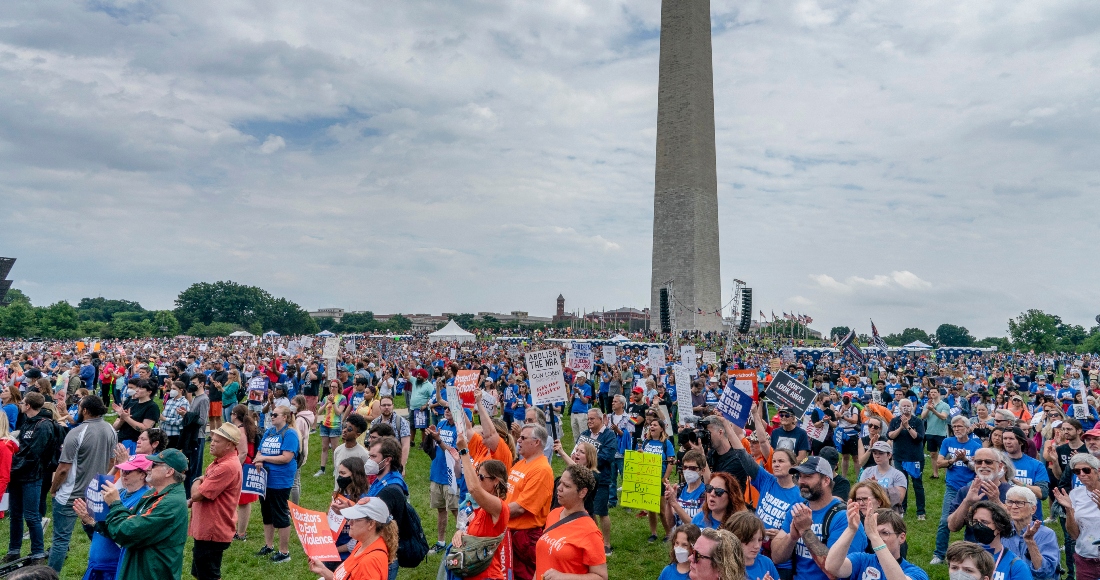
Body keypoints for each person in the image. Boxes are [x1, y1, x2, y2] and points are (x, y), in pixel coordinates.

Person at [76, 449, 189, 580]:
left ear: (169, 472)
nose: (148, 468)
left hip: (151, 574)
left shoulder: (171, 503)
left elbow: (128, 532)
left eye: (154, 465)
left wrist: (115, 503)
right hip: (137, 570)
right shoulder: (154, 494)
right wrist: (93, 522)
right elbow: (120, 528)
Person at [48, 394, 117, 572]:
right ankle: (103, 570)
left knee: (60, 540)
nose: (77, 411)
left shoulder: (76, 432)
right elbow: (112, 461)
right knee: (98, 535)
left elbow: (63, 468)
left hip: (71, 495)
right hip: (97, 492)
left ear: (85, 410)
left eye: (79, 408)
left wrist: (53, 489)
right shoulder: (110, 428)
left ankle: (50, 575)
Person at [771, 457, 867, 580]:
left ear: (826, 480)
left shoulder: (845, 518)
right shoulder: (797, 511)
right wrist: (792, 538)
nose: (801, 481)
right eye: (800, 476)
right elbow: (777, 557)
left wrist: (806, 532)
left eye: (808, 476)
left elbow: (835, 572)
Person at [74, 455, 150, 580]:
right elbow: (98, 531)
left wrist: (92, 523)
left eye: (129, 471)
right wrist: (86, 521)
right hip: (96, 565)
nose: (124, 474)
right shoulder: (119, 493)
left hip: (113, 569)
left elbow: (123, 535)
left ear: (143, 474)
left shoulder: (143, 499)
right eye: (123, 470)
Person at [6, 392, 57, 566]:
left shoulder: (44, 425)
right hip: (17, 476)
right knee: (15, 515)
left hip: (32, 476)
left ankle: (37, 553)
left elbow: (34, 454)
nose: (21, 404)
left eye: (23, 402)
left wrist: (13, 464)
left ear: (28, 405)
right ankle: (13, 550)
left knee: (32, 516)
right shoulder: (26, 421)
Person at [188, 423, 244, 580]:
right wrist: (203, 480)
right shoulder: (219, 462)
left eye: (217, 441)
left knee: (209, 575)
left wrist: (197, 479)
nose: (211, 443)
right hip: (208, 529)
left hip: (213, 530)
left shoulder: (226, 466)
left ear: (230, 445)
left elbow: (197, 495)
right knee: (201, 572)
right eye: (212, 439)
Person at [533, 465, 608, 580]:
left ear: (582, 492)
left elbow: (601, 577)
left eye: (567, 486)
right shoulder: (554, 514)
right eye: (560, 482)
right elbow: (543, 560)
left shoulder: (590, 532)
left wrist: (564, 577)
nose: (559, 488)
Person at [452, 433, 510, 580]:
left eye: (481, 477)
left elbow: (474, 489)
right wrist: (461, 534)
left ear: (496, 481)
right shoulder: (482, 508)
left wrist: (464, 452)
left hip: (488, 575)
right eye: (477, 475)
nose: (478, 480)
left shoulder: (499, 507)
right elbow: (475, 534)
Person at [931, 414, 983, 564]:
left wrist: (965, 460)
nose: (956, 429)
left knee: (973, 522)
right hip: (952, 487)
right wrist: (954, 460)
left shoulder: (976, 446)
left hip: (970, 489)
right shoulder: (947, 442)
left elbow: (978, 469)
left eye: (959, 426)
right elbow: (939, 463)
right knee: (944, 521)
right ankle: (939, 554)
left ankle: (973, 554)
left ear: (967, 428)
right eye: (954, 427)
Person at [823, 507, 927, 580]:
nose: (878, 537)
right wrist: (851, 529)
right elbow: (831, 567)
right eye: (875, 532)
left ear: (901, 537)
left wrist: (874, 536)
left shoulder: (916, 573)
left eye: (885, 533)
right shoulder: (861, 560)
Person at [507, 424, 554, 580]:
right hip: (512, 532)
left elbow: (521, 508)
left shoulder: (541, 470)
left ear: (536, 442)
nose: (518, 440)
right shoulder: (521, 463)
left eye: (523, 438)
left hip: (526, 537)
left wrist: (494, 513)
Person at [254, 404, 300, 563]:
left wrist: (264, 458)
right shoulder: (269, 431)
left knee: (280, 514)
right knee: (266, 513)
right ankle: (268, 546)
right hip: (264, 479)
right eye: (272, 415)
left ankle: (284, 552)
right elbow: (259, 450)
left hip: (280, 480)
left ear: (285, 417)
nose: (272, 417)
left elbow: (286, 457)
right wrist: (259, 459)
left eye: (275, 415)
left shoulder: (290, 434)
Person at [309, 498, 398, 580]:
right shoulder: (363, 543)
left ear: (371, 524)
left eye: (356, 519)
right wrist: (323, 570)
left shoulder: (369, 563)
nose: (349, 522)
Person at [1052, 452, 1100, 578]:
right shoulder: (1075, 494)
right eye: (1077, 472)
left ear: (1097, 471)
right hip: (1085, 558)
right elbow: (1074, 534)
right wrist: (1069, 510)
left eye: (1086, 470)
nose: (1082, 474)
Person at [578, 408, 620, 548]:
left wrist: (588, 459)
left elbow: (607, 456)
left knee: (601, 511)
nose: (589, 421)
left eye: (592, 419)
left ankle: (606, 544)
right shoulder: (584, 435)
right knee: (588, 511)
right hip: (584, 479)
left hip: (601, 479)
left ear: (601, 419)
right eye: (588, 419)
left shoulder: (609, 436)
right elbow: (576, 452)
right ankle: (594, 538)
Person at [962, 500, 1032, 580]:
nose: (978, 526)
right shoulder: (965, 556)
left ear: (999, 527)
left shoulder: (1016, 565)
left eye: (984, 522)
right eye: (975, 521)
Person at [1001, 486, 1058, 580]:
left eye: (1020, 503)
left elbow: (1045, 572)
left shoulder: (1046, 534)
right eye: (1010, 502)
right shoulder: (1001, 531)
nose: (1014, 507)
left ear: (1033, 509)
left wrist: (1030, 541)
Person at [423, 408, 459, 554]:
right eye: (445, 408)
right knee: (441, 509)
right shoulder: (442, 424)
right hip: (437, 473)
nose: (447, 410)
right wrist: (430, 436)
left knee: (457, 511)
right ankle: (441, 541)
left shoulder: (460, 429)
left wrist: (438, 439)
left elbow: (454, 453)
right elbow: (432, 448)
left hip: (451, 477)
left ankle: (460, 543)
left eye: (451, 408)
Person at [886, 399, 925, 520]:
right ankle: (901, 509)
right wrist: (900, 427)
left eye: (908, 406)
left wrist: (907, 426)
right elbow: (890, 435)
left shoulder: (917, 421)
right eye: (904, 406)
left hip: (915, 457)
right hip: (899, 457)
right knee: (901, 484)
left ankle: (921, 512)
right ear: (900, 408)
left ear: (912, 408)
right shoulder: (894, 420)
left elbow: (918, 438)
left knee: (917, 484)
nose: (906, 408)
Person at [1000, 427, 1049, 518]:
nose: (1007, 442)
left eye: (1011, 438)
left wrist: (1021, 484)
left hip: (1031, 519)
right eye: (1005, 438)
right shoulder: (997, 462)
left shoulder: (1036, 465)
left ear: (1021, 442)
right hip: (1004, 517)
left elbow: (1043, 493)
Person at [722, 512, 780, 580]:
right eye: (750, 540)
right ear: (734, 539)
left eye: (760, 539)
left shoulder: (766, 562)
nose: (757, 546)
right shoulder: (723, 567)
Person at [232, 405, 260, 541]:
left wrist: (233, 467)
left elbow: (242, 453)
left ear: (235, 415)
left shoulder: (240, 430)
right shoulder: (245, 428)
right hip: (246, 465)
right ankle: (238, 530)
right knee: (242, 500)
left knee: (243, 501)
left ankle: (241, 532)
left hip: (243, 466)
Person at [856, 441, 907, 512]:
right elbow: (859, 494)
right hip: (868, 511)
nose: (877, 456)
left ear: (889, 455)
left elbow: (899, 499)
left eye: (881, 453)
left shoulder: (898, 475)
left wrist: (876, 487)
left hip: (889, 513)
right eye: (874, 453)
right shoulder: (867, 471)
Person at [316, 379, 348, 477]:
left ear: (339, 388)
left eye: (334, 386)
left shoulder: (342, 398)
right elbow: (319, 412)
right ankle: (322, 469)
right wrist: (326, 402)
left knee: (335, 449)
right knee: (324, 447)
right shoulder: (326, 398)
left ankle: (336, 468)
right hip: (325, 424)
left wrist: (333, 402)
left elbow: (339, 412)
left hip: (335, 425)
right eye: (331, 386)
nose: (332, 388)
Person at [113, 379, 159, 447]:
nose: (137, 390)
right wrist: (122, 420)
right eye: (137, 387)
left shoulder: (152, 407)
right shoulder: (131, 404)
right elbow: (114, 427)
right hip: (120, 441)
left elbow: (145, 428)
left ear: (149, 392)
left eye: (140, 388)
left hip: (135, 443)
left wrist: (127, 418)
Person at [370, 396, 411, 468]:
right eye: (384, 405)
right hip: (377, 460)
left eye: (389, 405)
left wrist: (402, 466)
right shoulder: (375, 422)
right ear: (380, 407)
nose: (386, 407)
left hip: (394, 460)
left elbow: (405, 446)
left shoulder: (401, 422)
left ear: (393, 406)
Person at [920, 385, 950, 479]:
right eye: (931, 393)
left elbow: (944, 417)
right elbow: (922, 417)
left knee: (944, 455)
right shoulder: (927, 404)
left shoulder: (945, 405)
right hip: (930, 432)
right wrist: (929, 409)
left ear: (939, 393)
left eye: (934, 392)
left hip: (941, 433)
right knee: (933, 454)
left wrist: (933, 410)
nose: (932, 394)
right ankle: (935, 473)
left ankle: (946, 475)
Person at [334, 414, 370, 489]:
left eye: (349, 429)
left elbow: (365, 477)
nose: (344, 430)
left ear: (357, 435)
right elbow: (337, 473)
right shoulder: (338, 450)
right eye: (344, 426)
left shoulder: (363, 454)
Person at [160, 381, 189, 450]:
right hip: (164, 433)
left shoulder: (184, 402)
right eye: (171, 389)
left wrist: (165, 419)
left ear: (181, 390)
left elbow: (181, 421)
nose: (172, 391)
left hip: (174, 435)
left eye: (174, 389)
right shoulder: (169, 401)